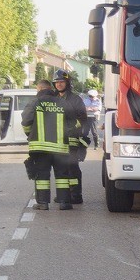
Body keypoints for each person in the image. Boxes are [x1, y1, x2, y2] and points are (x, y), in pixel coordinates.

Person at [21, 68, 88, 210]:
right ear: (52, 85)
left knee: (68, 171)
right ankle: (64, 200)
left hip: (63, 143)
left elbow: (81, 121)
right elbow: (72, 122)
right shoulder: (59, 101)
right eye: (57, 82)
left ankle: (72, 196)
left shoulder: (74, 99)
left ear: (67, 83)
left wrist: (31, 136)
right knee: (62, 174)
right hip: (61, 145)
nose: (59, 84)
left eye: (62, 82)